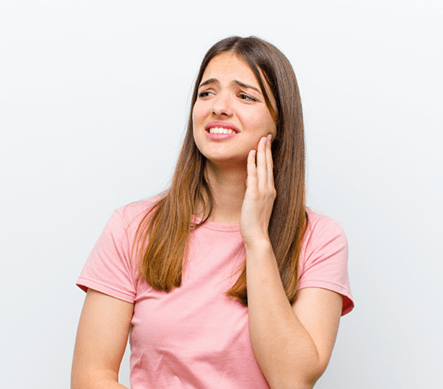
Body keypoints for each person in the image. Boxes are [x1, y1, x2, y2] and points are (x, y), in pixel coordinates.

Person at [71, 36, 353, 389]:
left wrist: (257, 240)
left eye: (245, 95)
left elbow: (292, 379)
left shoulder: (320, 239)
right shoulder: (132, 227)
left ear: (279, 123)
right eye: (207, 93)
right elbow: (90, 377)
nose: (218, 107)